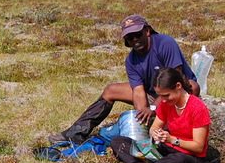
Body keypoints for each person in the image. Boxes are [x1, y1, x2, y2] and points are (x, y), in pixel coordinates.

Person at [48, 14, 199, 145]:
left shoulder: (165, 43)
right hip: (152, 93)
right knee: (110, 90)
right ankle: (76, 133)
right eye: (130, 38)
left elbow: (174, 80)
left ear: (147, 31)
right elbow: (138, 92)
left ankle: (175, 128)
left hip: (177, 91)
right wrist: (142, 116)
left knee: (193, 86)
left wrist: (152, 109)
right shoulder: (131, 60)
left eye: (138, 35)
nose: (135, 40)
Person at [107, 67, 211, 163]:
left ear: (178, 86)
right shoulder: (165, 103)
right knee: (118, 141)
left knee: (178, 160)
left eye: (166, 95)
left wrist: (172, 140)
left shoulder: (197, 108)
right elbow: (154, 127)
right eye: (160, 96)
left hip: (191, 158)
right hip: (166, 150)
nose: (163, 100)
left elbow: (198, 147)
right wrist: (156, 134)